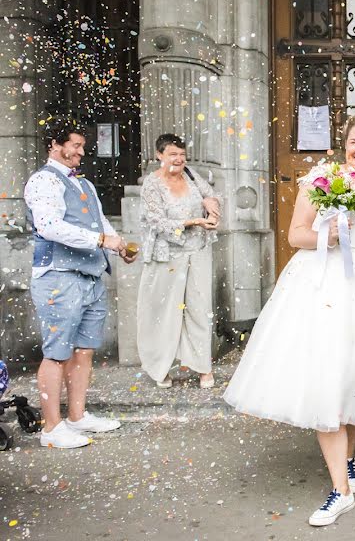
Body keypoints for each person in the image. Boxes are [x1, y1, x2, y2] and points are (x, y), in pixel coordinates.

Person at [224, 113, 355, 527]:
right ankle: (340, 491)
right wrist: (329, 235)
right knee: (327, 378)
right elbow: (296, 234)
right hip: (321, 284)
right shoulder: (322, 178)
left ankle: (347, 461)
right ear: (344, 144)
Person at [24, 125, 137, 449]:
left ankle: (76, 416)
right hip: (59, 276)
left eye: (82, 146)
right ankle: (51, 428)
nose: (81, 152)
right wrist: (101, 240)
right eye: (74, 145)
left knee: (84, 351)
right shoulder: (44, 180)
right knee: (57, 353)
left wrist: (118, 246)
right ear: (54, 145)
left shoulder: (83, 182)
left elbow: (100, 223)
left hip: (90, 275)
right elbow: (50, 227)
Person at [137, 134, 222, 389]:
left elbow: (213, 199)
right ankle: (159, 367)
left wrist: (213, 208)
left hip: (197, 252)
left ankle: (202, 366)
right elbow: (156, 222)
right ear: (159, 156)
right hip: (166, 255)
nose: (178, 160)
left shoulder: (192, 176)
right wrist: (192, 222)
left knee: (199, 308)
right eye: (172, 154)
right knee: (162, 312)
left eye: (182, 155)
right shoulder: (152, 185)